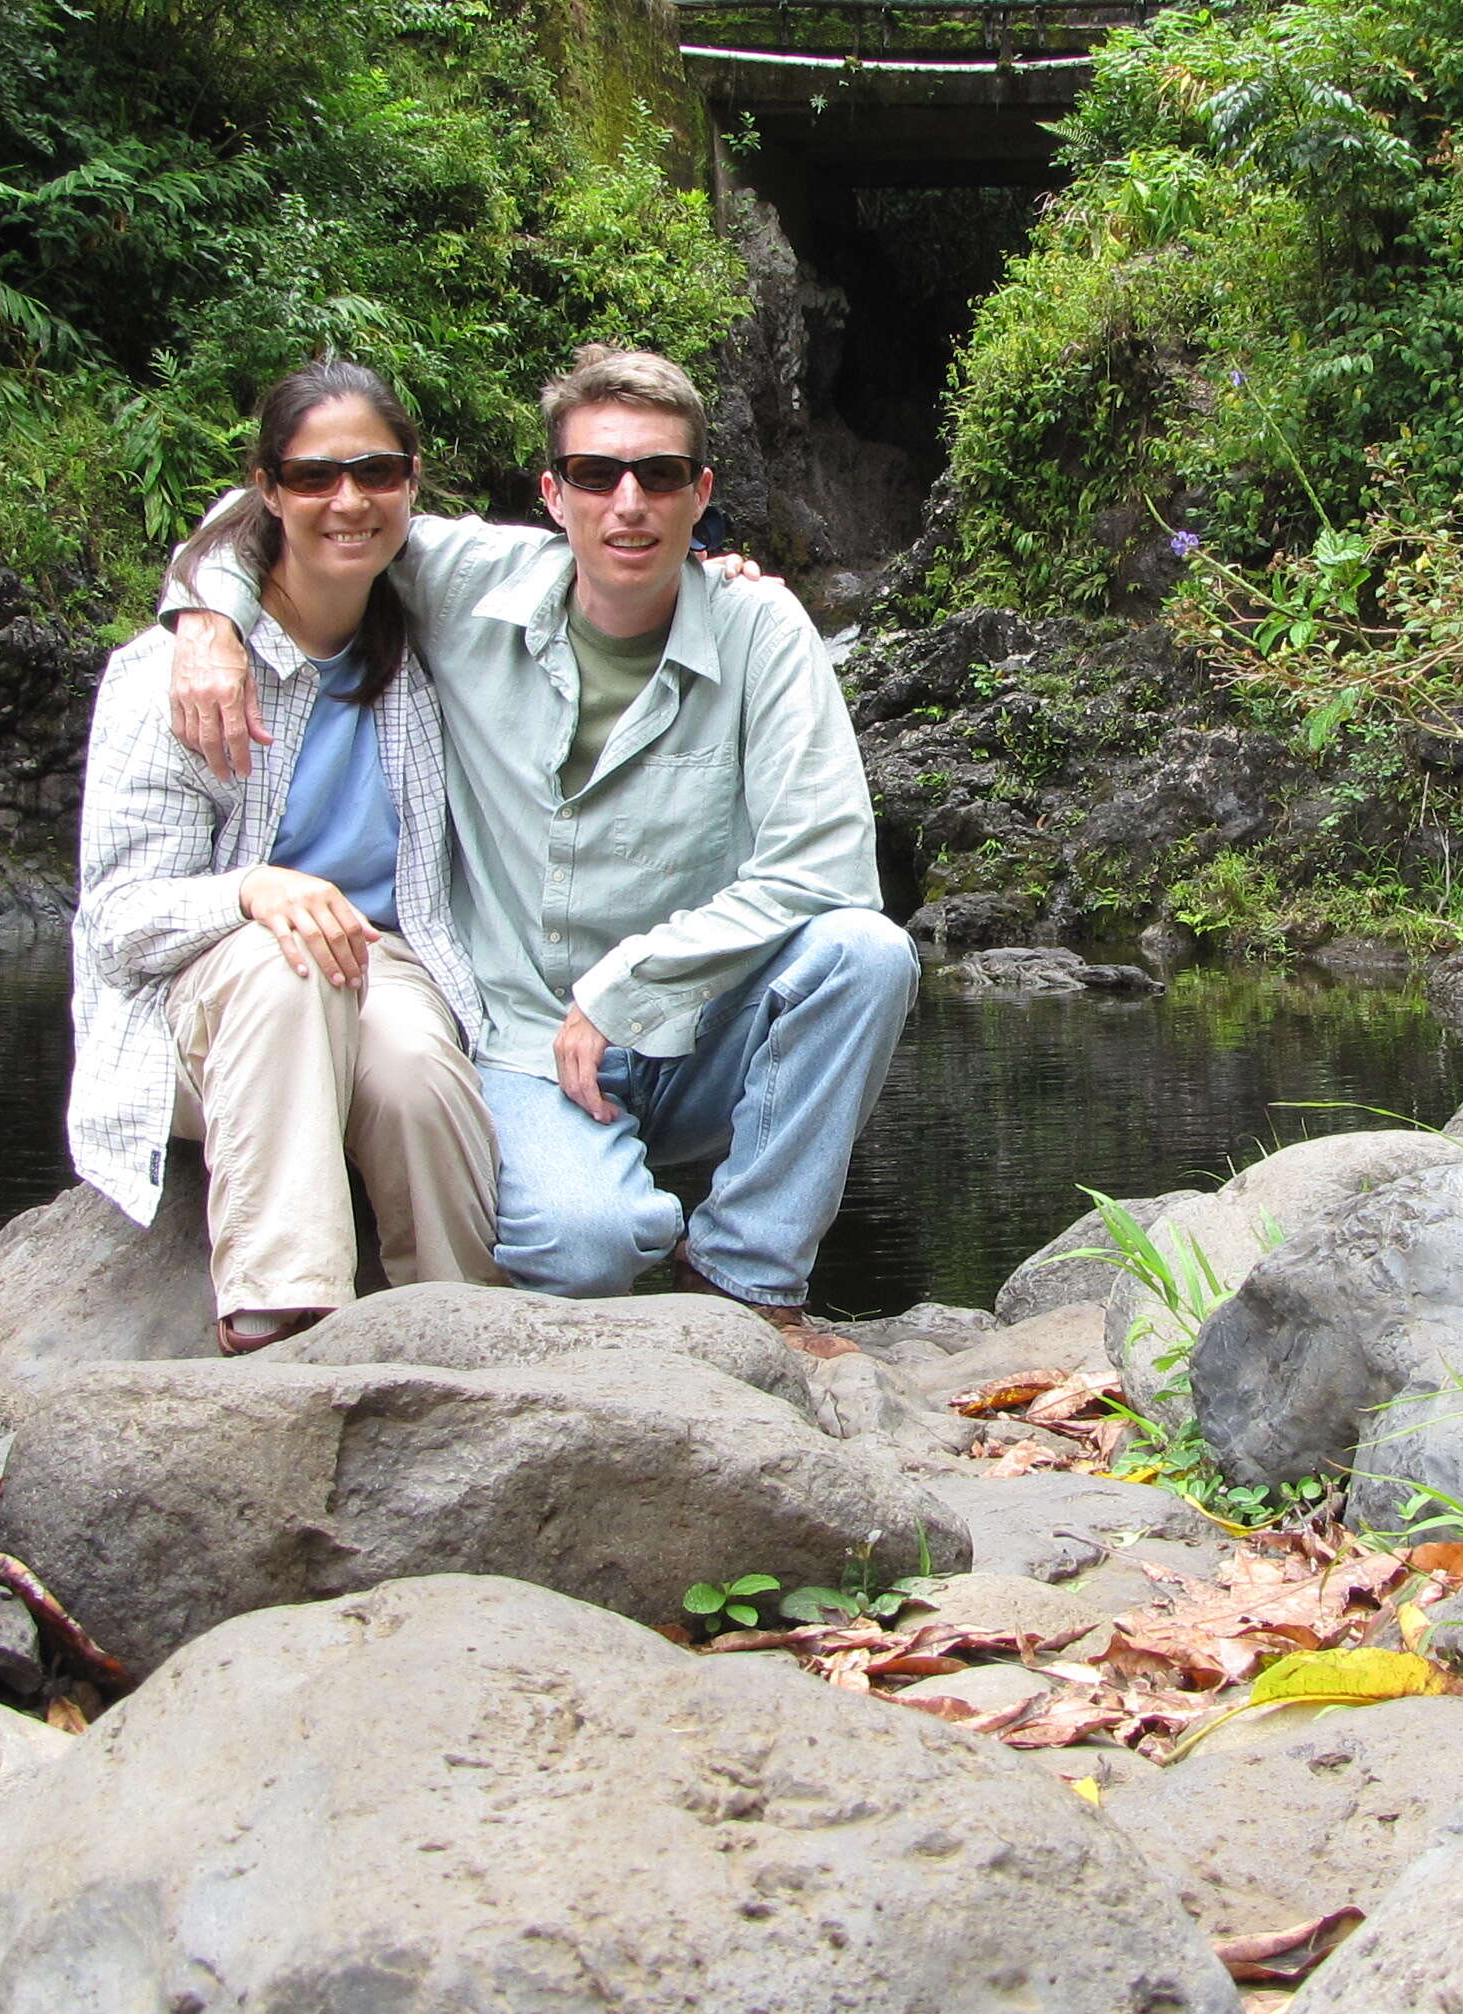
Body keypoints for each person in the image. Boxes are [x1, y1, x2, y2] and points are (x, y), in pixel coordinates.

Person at [162, 343, 914, 1357]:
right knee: (582, 1251)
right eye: (598, 475)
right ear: (553, 496)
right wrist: (206, 620)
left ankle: (747, 1278)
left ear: (702, 495)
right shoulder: (467, 582)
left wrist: (628, 986)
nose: (628, 504)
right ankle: (605, 1210)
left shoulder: (759, 625)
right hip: (519, 1033)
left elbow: (825, 868)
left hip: (698, 1024)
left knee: (867, 953)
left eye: (658, 476)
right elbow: (281, 513)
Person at [71, 361, 503, 1354]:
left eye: (376, 471)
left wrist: (717, 572)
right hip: (204, 993)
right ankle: (285, 1317)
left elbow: (599, 554)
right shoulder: (173, 679)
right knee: (282, 961)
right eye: (313, 479)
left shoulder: (428, 638)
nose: (347, 501)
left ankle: (466, 1333)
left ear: (412, 480)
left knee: (410, 1070)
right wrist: (252, 890)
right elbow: (120, 924)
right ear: (268, 490)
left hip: (377, 958)